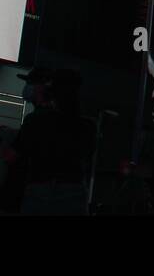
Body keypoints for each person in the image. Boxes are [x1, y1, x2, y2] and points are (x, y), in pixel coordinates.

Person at [11, 68, 94, 215]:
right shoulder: (87, 126)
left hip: (40, 188)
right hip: (74, 189)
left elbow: (16, 154)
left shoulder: (36, 120)